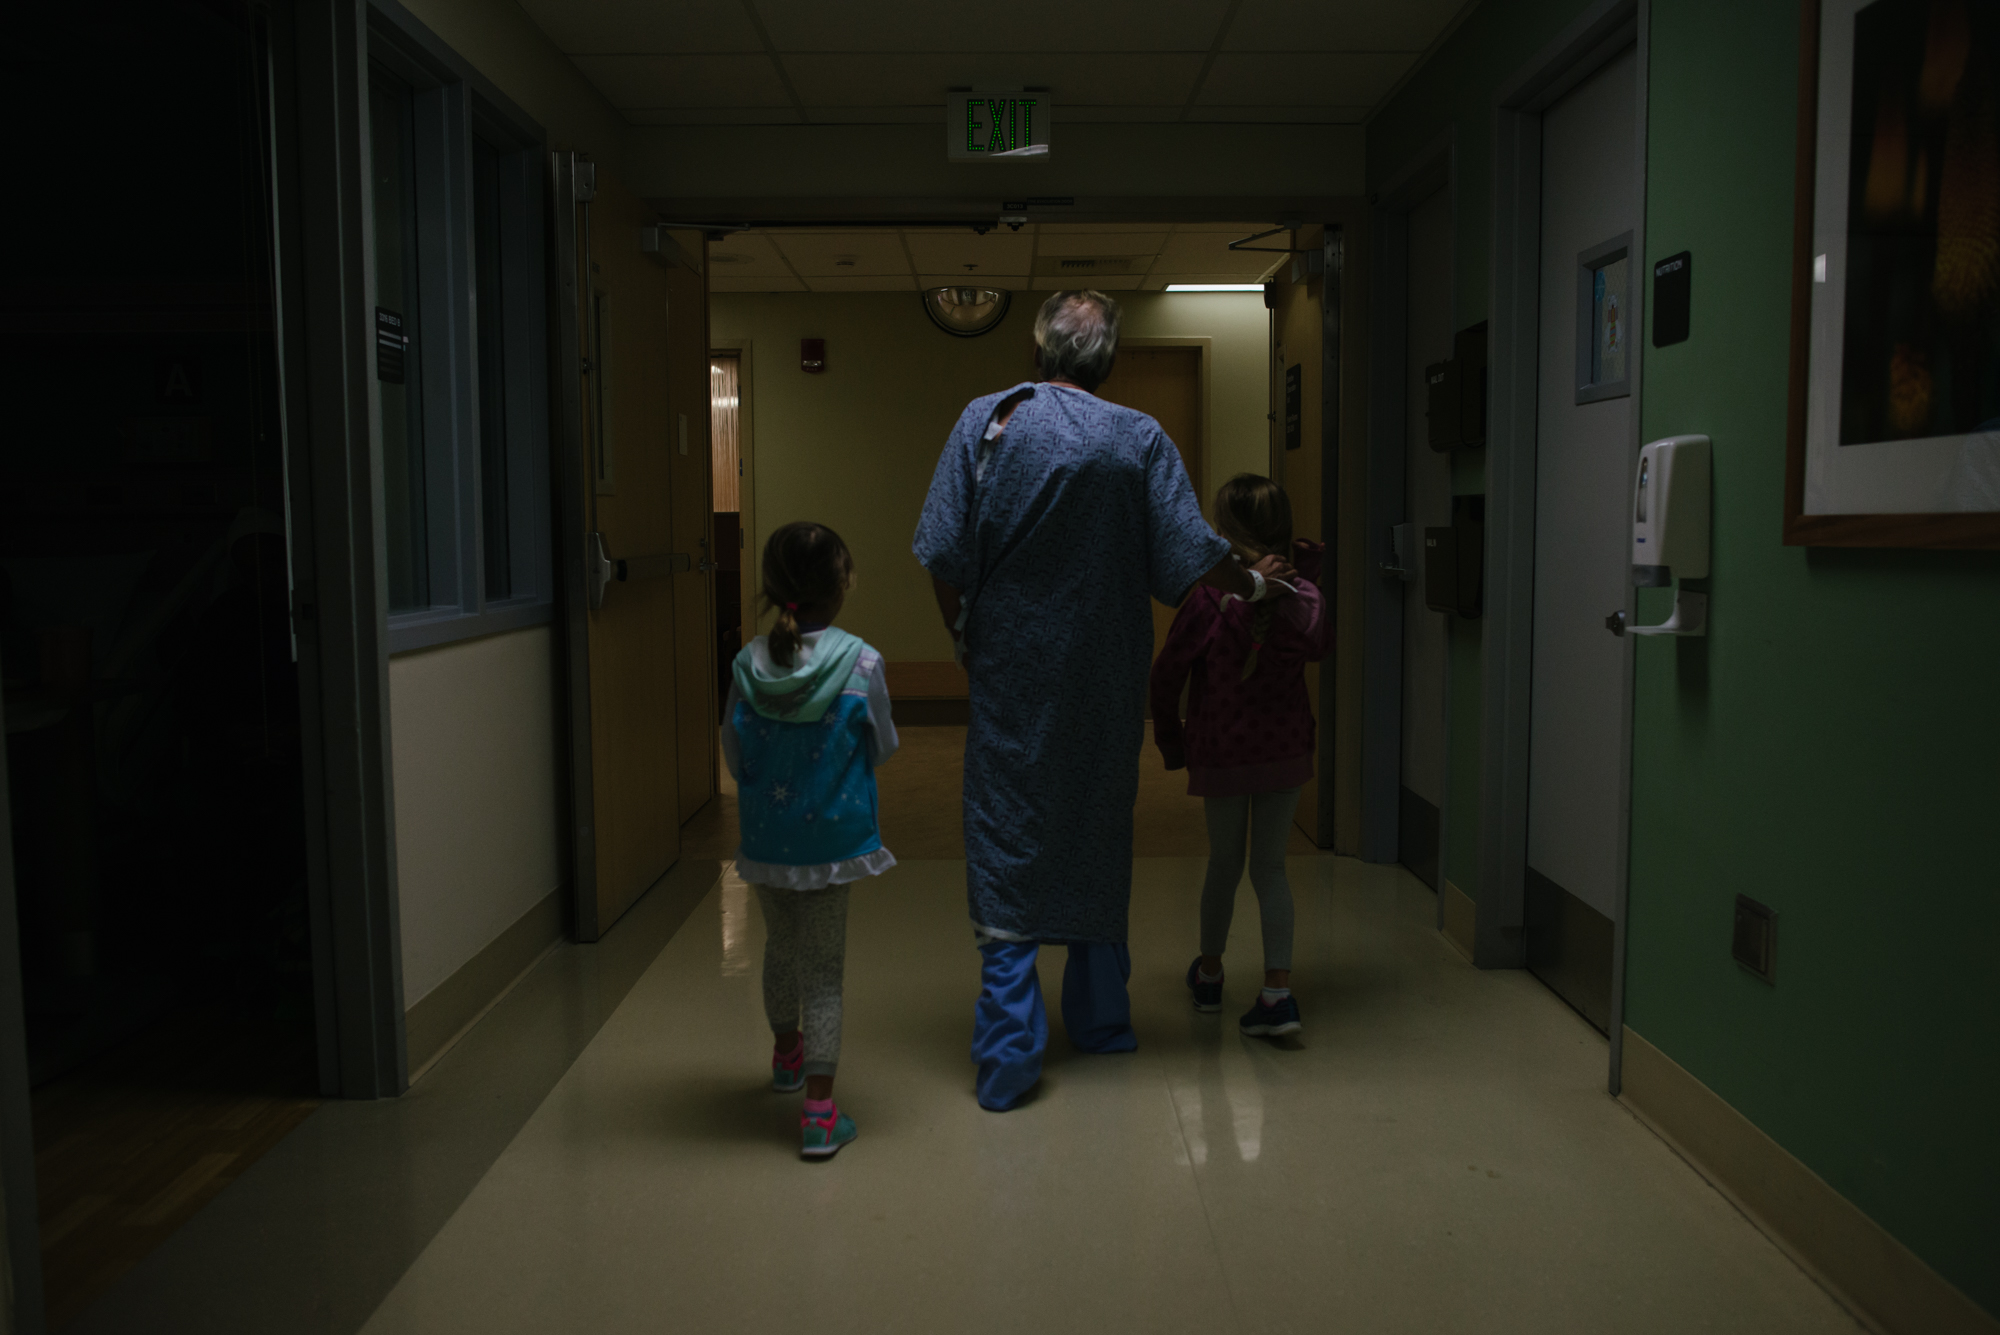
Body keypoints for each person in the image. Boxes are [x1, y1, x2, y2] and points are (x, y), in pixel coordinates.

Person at [913, 290, 1297, 1112]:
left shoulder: (988, 423)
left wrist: (967, 639)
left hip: (1013, 672)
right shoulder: (1138, 437)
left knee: (1009, 833)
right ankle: (1100, 1022)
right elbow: (1190, 556)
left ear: (1037, 349)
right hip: (1104, 676)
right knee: (1094, 823)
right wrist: (1255, 585)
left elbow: (942, 553)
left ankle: (1010, 1055)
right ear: (1110, 358)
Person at [722, 521, 898, 1159]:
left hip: (768, 843)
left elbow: (735, 754)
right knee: (824, 973)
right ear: (842, 583)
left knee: (780, 949)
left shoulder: (747, 662)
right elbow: (883, 745)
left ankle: (786, 1056)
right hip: (832, 843)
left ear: (773, 589)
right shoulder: (862, 661)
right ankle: (820, 1116)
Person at [1148, 475, 1332, 1038]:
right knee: (1271, 868)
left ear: (1223, 531)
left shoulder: (1207, 597)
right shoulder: (1306, 596)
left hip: (1224, 750)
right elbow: (1321, 649)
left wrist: (1172, 744)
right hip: (1283, 750)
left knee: (1224, 865)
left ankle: (1209, 976)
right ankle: (1277, 994)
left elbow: (1166, 675)